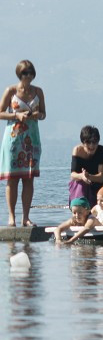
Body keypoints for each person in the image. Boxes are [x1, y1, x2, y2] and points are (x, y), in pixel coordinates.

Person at [0, 60, 45, 227]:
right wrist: (16, 116)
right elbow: (0, 113)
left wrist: (35, 115)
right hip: (14, 138)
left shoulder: (38, 91)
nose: (29, 76)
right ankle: (11, 216)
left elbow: (43, 114)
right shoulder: (11, 91)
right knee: (12, 179)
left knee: (29, 178)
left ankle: (26, 217)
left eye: (31, 72)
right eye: (25, 73)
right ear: (19, 74)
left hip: (32, 139)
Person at [68, 125, 103, 208]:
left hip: (97, 185)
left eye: (94, 142)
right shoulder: (77, 150)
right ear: (83, 142)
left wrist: (88, 176)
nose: (91, 145)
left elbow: (101, 177)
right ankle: (80, 208)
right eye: (88, 142)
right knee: (80, 184)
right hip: (80, 185)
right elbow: (73, 175)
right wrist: (82, 176)